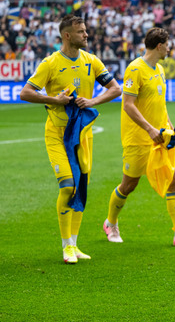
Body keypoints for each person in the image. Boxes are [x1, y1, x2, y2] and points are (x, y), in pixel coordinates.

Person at [20, 14, 121, 264]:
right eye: (81, 32)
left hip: (82, 136)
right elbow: (26, 92)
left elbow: (116, 89)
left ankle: (74, 246)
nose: (86, 35)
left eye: (86, 31)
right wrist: (54, 100)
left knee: (80, 189)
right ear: (67, 36)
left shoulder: (91, 60)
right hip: (56, 133)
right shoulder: (51, 63)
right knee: (67, 186)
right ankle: (66, 246)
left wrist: (93, 101)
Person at [102, 27, 175, 247]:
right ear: (159, 46)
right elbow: (128, 105)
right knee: (129, 185)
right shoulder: (135, 69)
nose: (169, 49)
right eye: (168, 45)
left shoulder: (159, 69)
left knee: (174, 179)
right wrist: (148, 129)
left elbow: (160, 106)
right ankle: (110, 223)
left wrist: (172, 130)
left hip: (162, 137)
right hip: (138, 138)